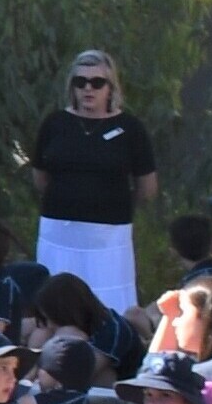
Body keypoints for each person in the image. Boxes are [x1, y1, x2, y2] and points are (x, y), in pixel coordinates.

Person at [27, 49, 158, 306]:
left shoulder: (131, 129)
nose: (88, 89)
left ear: (111, 87)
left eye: (97, 83)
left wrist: (112, 203)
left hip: (109, 233)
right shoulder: (55, 123)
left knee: (109, 302)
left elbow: (147, 187)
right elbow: (40, 177)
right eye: (80, 82)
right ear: (72, 86)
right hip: (59, 231)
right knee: (56, 299)